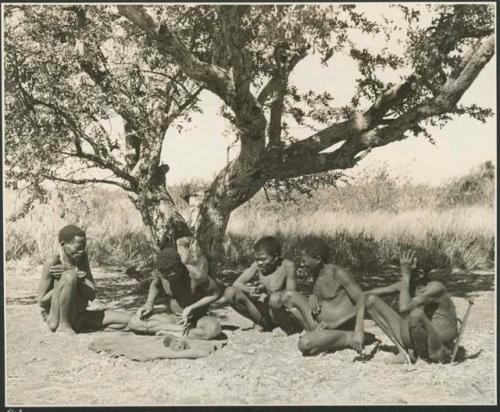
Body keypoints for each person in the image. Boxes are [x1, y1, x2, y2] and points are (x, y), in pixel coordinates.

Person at [360, 251, 459, 364]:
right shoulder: (409, 285)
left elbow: (404, 307)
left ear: (420, 273)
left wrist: (406, 275)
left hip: (437, 347)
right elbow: (369, 294)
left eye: (405, 269)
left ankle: (423, 358)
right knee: (371, 301)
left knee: (415, 314)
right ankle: (404, 353)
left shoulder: (435, 288)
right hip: (416, 340)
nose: (401, 274)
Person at [37, 225, 132, 334]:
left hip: (80, 316)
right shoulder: (53, 262)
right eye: (78, 248)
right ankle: (64, 326)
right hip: (56, 319)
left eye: (84, 247)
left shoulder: (82, 259)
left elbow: (91, 295)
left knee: (128, 320)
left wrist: (77, 278)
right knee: (69, 276)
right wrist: (66, 282)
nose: (81, 251)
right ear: (63, 244)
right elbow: (41, 302)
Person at [281, 239, 368, 356]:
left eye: (304, 261)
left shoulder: (338, 273)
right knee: (287, 296)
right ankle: (316, 334)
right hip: (320, 324)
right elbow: (321, 294)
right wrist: (312, 296)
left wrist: (337, 323)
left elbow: (363, 300)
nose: (301, 264)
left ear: (317, 259)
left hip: (338, 327)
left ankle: (347, 338)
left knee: (304, 344)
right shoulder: (316, 272)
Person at [129, 247, 224, 340]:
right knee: (134, 321)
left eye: (172, 276)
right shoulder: (161, 272)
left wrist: (192, 307)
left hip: (198, 317)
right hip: (174, 318)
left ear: (180, 267)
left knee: (214, 330)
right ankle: (177, 331)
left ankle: (172, 331)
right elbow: (155, 284)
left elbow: (215, 293)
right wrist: (148, 304)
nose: (169, 279)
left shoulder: (196, 275)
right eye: (165, 277)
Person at [223, 236, 301, 335]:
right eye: (257, 259)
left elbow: (291, 297)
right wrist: (250, 290)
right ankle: (262, 323)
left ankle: (286, 326)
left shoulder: (288, 266)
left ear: (276, 257)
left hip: (280, 312)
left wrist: (268, 290)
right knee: (230, 293)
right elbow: (237, 283)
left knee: (275, 298)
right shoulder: (257, 265)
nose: (260, 263)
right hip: (265, 312)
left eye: (263, 259)